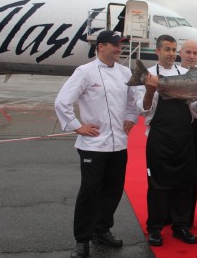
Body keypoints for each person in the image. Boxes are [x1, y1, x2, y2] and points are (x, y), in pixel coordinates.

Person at [54, 30, 138, 258]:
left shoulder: (125, 72)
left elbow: (133, 100)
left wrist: (131, 117)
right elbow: (62, 101)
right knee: (89, 192)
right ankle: (82, 240)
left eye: (121, 46)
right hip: (93, 145)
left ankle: (102, 230)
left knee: (113, 191)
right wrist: (76, 126)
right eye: (115, 45)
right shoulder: (85, 72)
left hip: (118, 144)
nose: (119, 49)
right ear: (101, 46)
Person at [135, 34, 197, 247]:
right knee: (157, 185)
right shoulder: (148, 75)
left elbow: (195, 111)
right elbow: (143, 110)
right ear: (157, 51)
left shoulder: (186, 75)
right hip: (159, 138)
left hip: (183, 137)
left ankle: (181, 226)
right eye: (167, 49)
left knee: (184, 183)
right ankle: (155, 228)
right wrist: (150, 91)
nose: (171, 53)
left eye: (173, 49)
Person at [179, 39, 197, 227]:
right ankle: (169, 214)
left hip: (195, 126)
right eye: (188, 52)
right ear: (181, 53)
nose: (191, 56)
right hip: (173, 128)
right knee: (173, 173)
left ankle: (188, 217)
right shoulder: (171, 74)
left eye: (195, 53)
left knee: (192, 175)